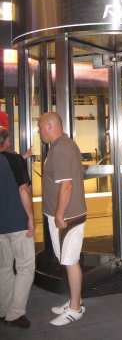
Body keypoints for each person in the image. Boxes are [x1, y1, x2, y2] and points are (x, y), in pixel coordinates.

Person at [38, 112, 87, 327]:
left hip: (68, 218)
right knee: (67, 260)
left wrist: (59, 215)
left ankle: (75, 309)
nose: (39, 132)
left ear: (50, 126)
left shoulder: (61, 149)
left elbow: (67, 185)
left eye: (40, 127)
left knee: (70, 261)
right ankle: (75, 301)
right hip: (63, 216)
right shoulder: (63, 145)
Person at [0, 127, 35, 329]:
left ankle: (3, 308)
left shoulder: (14, 160)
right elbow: (23, 189)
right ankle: (15, 313)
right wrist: (30, 217)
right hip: (16, 223)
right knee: (25, 267)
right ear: (6, 141)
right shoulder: (13, 160)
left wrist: (22, 157)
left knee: (4, 268)